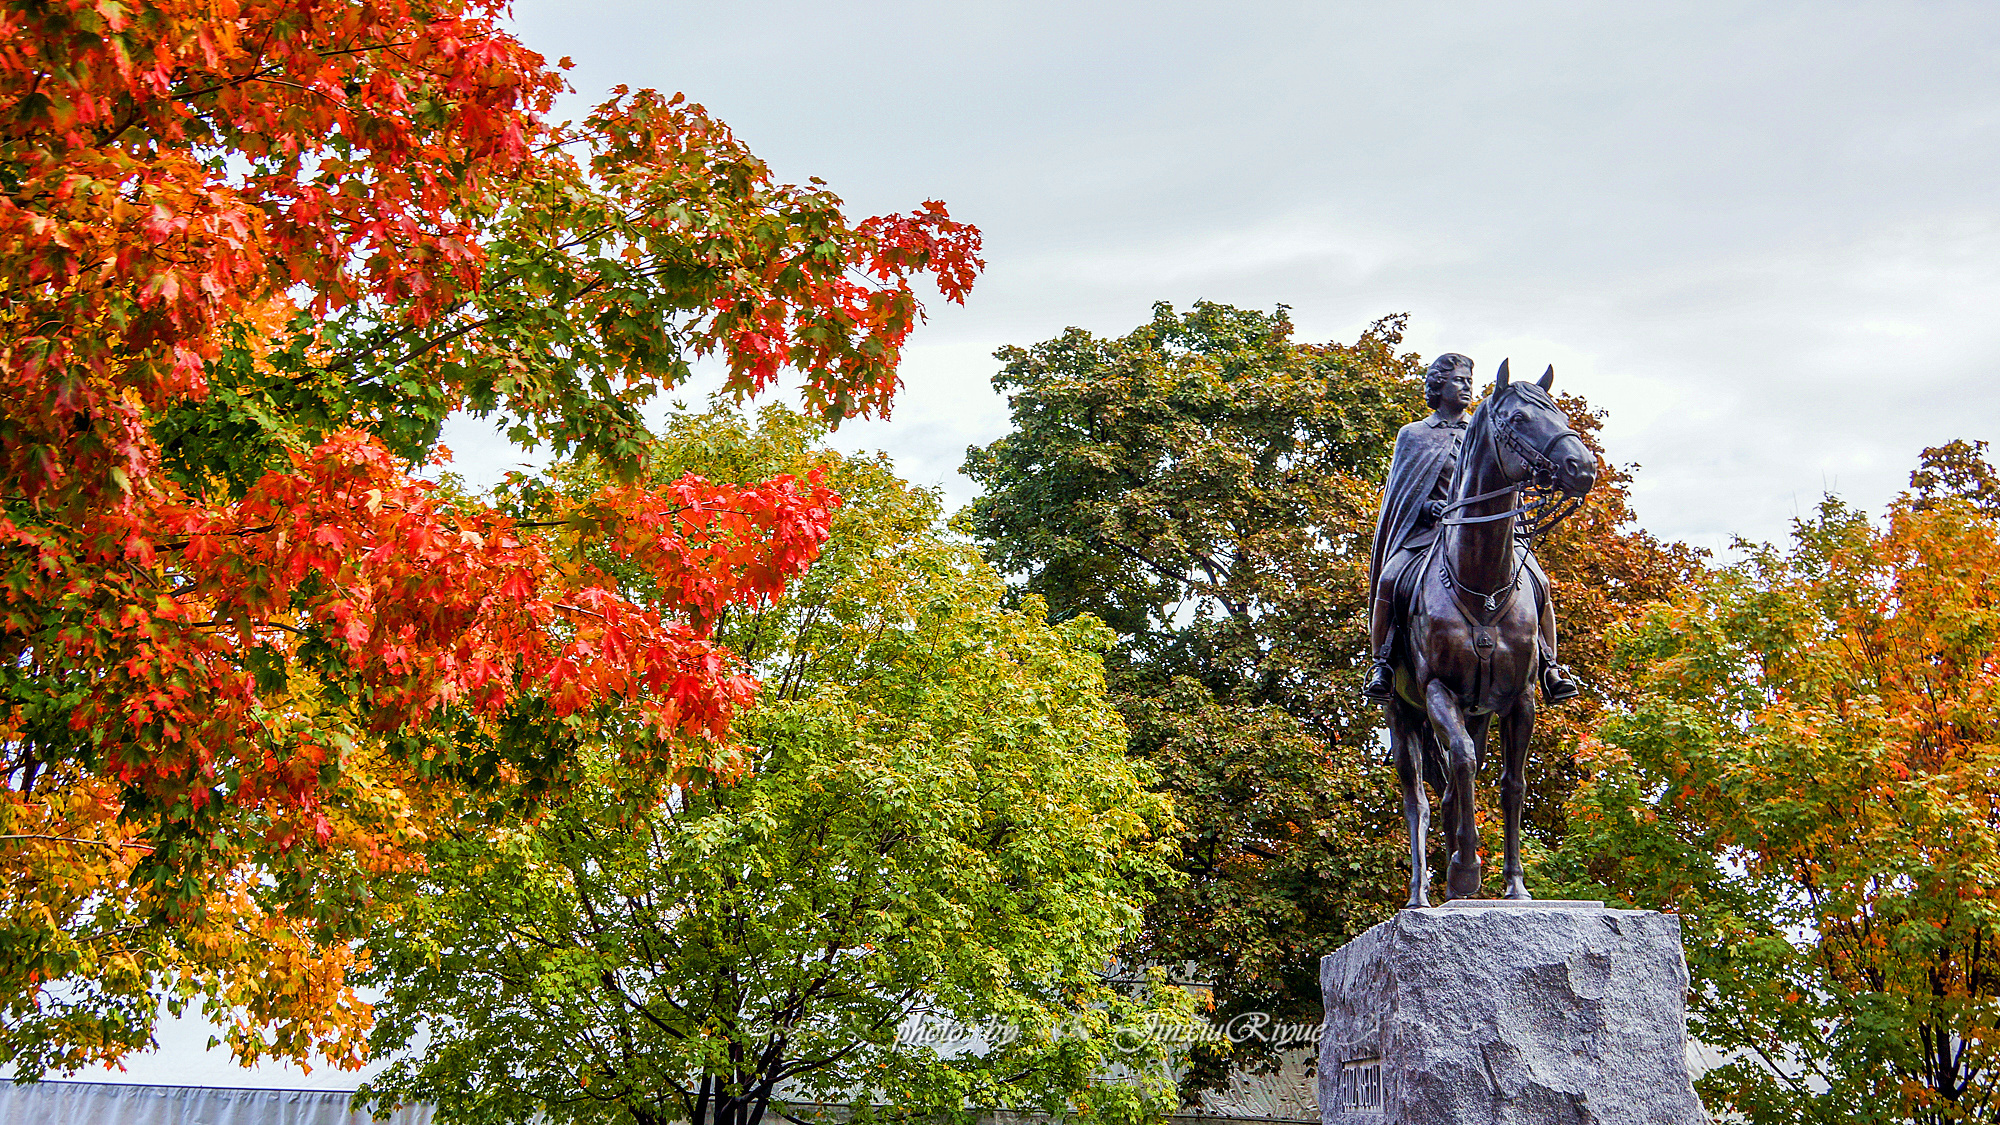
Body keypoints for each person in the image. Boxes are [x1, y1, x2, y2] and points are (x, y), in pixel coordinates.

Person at [1360, 354, 1579, 703]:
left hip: (1487, 536)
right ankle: (1382, 663)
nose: (1466, 387)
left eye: (1469, 381)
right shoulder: (1415, 435)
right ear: (1437, 385)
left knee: (1539, 580)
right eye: (1458, 380)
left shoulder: (1485, 430)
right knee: (1390, 577)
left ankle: (1551, 666)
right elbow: (1403, 495)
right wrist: (1430, 507)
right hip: (1427, 535)